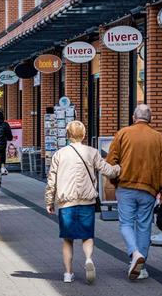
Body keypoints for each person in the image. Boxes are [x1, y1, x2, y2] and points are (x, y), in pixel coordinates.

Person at [45, 121, 120, 284]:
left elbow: (52, 180)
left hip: (66, 203)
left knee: (67, 239)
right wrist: (119, 169)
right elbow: (108, 171)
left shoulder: (59, 154)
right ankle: (88, 259)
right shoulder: (92, 152)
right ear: (84, 135)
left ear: (68, 135)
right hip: (87, 201)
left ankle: (67, 273)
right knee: (87, 235)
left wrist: (49, 201)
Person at [106, 104, 162, 280]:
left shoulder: (123, 133)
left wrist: (114, 181)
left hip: (125, 186)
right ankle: (141, 268)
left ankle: (134, 254)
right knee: (144, 225)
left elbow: (111, 161)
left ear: (134, 117)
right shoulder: (159, 138)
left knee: (126, 223)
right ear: (150, 119)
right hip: (149, 189)